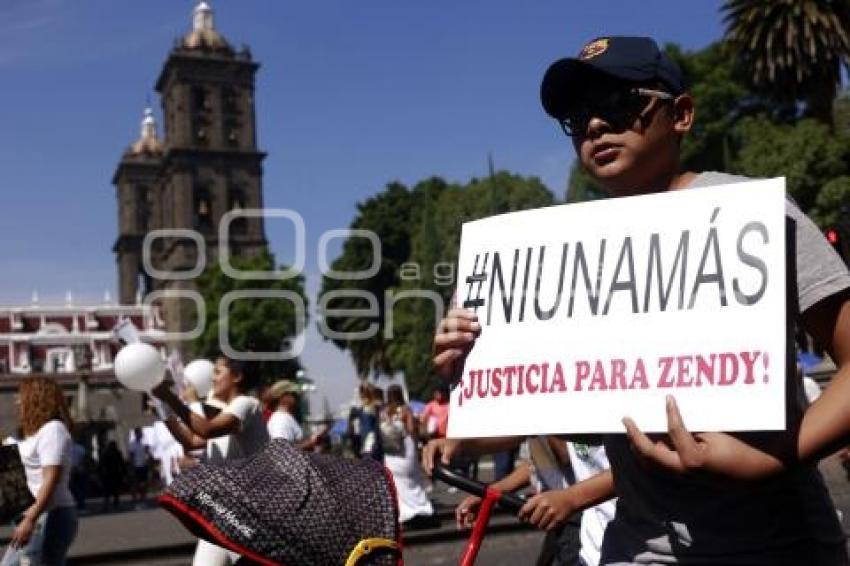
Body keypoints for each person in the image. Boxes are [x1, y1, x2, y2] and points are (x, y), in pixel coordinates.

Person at [431, 35, 850, 564]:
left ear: (682, 114)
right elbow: (572, 418)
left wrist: (773, 459)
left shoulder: (752, 215)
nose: (595, 125)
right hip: (632, 549)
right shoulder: (566, 256)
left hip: (772, 544)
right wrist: (474, 369)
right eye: (577, 117)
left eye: (618, 104)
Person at [152, 354, 270, 566]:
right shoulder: (226, 412)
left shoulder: (246, 404)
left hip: (246, 511)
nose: (212, 379)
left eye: (217, 372)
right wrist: (163, 407)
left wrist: (173, 399)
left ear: (237, 377)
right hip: (223, 510)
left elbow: (205, 430)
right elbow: (192, 441)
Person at [2, 376, 78, 566]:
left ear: (36, 398)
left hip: (51, 515)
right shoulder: (28, 435)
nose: (17, 401)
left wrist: (30, 519)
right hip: (35, 515)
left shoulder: (53, 430)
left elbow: (51, 479)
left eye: (21, 396)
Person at [380, 384, 434, 526]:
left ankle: (406, 513)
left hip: (391, 452)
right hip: (405, 449)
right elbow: (411, 429)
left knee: (398, 484)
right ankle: (422, 509)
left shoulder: (384, 412)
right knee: (413, 480)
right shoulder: (405, 410)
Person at [266, 380, 323, 450]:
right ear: (282, 397)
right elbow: (282, 451)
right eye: (294, 394)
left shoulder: (285, 418)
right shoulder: (281, 420)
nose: (297, 397)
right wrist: (311, 442)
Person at [98, 440, 126, 511]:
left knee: (108, 491)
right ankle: (114, 505)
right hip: (114, 474)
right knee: (114, 491)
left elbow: (101, 465)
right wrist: (124, 473)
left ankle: (107, 505)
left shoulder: (106, 453)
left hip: (109, 475)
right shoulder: (116, 453)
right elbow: (122, 464)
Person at [127, 427, 150, 502]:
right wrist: (131, 466)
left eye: (141, 432)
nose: (141, 434)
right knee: (135, 482)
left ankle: (143, 496)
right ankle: (134, 497)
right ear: (136, 434)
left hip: (144, 465)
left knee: (144, 482)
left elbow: (147, 453)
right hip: (136, 465)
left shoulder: (144, 442)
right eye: (140, 432)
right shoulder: (132, 444)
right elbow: (131, 456)